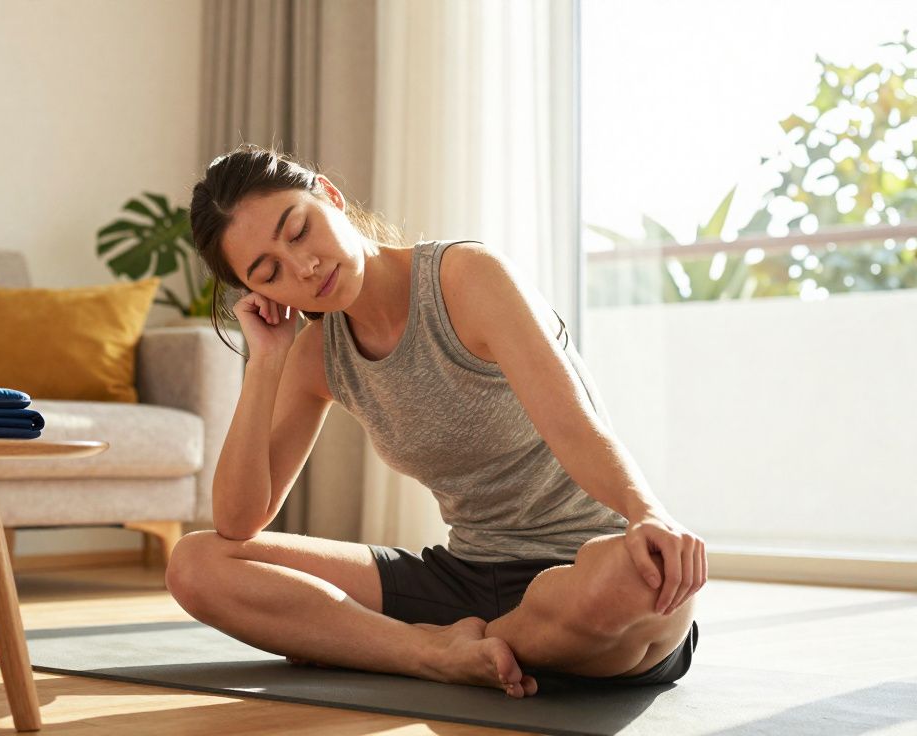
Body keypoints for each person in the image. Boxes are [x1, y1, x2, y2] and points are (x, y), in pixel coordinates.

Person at [165, 143, 704, 698]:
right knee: (195, 564)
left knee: (637, 586)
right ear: (260, 294)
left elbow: (575, 426)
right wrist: (266, 364)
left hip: (583, 567)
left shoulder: (466, 278)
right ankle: (429, 654)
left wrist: (647, 513)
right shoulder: (314, 355)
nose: (304, 267)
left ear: (329, 195)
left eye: (299, 230)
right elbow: (236, 522)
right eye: (269, 271)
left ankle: (441, 645)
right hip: (463, 577)